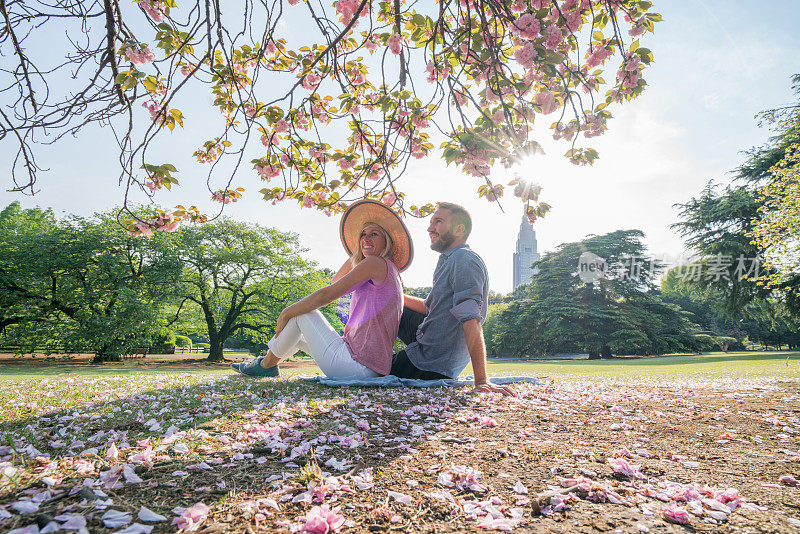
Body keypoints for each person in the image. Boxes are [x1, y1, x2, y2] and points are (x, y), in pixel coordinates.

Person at [233, 199, 413, 378]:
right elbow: (336, 281)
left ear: (386, 240)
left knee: (302, 313)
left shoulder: (375, 263)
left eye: (374, 234)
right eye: (362, 235)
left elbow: (327, 294)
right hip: (370, 368)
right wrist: (359, 250)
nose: (366, 238)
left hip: (357, 365)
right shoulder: (388, 268)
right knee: (298, 336)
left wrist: (286, 312)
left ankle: (265, 365)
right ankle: (268, 362)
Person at [390, 202, 516, 396]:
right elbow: (427, 307)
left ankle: (374, 361)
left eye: (438, 222)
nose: (430, 228)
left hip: (430, 364)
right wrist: (392, 292)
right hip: (428, 340)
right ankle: (374, 356)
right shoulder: (450, 259)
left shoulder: (463, 259)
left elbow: (471, 318)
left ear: (459, 229)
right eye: (431, 222)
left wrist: (481, 380)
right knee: (387, 299)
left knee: (364, 372)